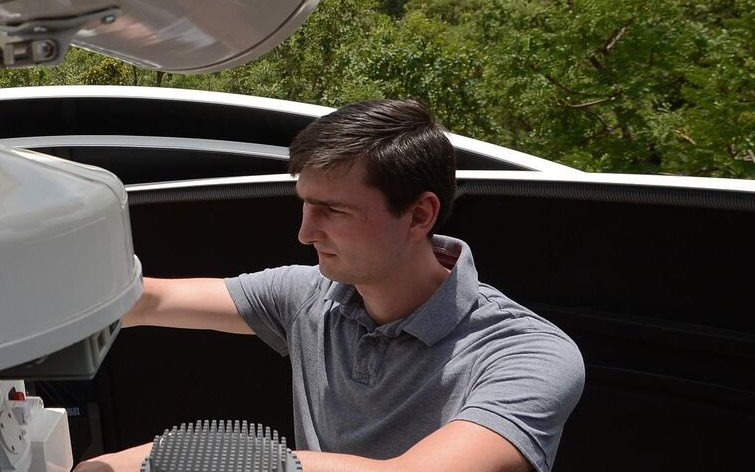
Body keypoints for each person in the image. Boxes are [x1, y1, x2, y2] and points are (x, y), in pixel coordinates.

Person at [77, 99, 583, 472]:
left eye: (334, 210)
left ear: (419, 214)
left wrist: (155, 461)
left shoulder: (527, 355)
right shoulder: (310, 295)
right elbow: (148, 301)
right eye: (305, 203)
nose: (305, 232)